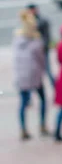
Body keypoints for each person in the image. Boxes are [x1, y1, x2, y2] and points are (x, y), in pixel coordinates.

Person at [12, 9, 48, 140]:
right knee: (43, 99)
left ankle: (23, 128)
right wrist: (43, 70)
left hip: (21, 77)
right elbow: (41, 60)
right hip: (34, 76)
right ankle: (42, 125)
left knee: (23, 103)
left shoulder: (17, 40)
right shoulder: (36, 42)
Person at [27, 3, 55, 87]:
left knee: (48, 70)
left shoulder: (42, 20)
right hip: (35, 51)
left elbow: (46, 35)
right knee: (37, 72)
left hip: (43, 49)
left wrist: (44, 46)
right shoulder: (30, 21)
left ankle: (56, 88)